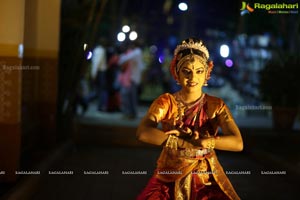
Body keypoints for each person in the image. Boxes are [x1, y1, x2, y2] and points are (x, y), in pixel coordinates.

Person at [136, 38, 243, 200]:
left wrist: (208, 142)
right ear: (176, 72)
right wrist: (181, 143)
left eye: (199, 71)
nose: (193, 77)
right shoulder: (166, 102)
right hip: (170, 173)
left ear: (207, 73)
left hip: (205, 177)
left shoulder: (216, 105)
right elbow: (143, 132)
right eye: (186, 71)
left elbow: (238, 143)